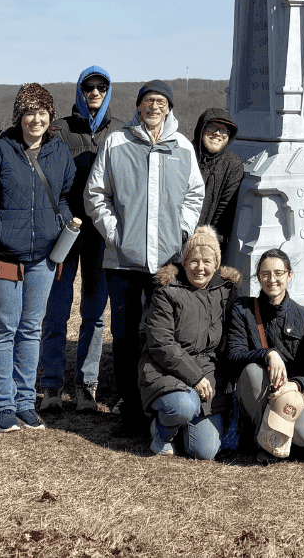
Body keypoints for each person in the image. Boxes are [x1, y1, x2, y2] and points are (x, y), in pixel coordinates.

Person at [85, 79, 205, 437]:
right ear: (138, 106)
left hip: (167, 265)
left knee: (162, 338)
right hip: (123, 262)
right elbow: (96, 194)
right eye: (148, 101)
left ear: (169, 108)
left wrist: (181, 232)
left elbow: (194, 195)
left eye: (161, 102)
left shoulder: (182, 147)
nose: (154, 107)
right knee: (124, 339)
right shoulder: (117, 142)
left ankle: (159, 405)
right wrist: (115, 234)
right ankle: (130, 412)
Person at [0, 84, 75, 433]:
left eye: (42, 112)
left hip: (43, 258)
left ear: (50, 116)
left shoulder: (60, 153)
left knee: (30, 330)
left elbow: (66, 194)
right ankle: (3, 407)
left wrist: (63, 223)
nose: (35, 119)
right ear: (19, 116)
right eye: (28, 112)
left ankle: (26, 403)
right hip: (0, 257)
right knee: (4, 329)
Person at [39, 66, 116, 413]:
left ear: (108, 91)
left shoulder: (119, 133)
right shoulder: (61, 132)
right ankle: (51, 386)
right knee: (56, 311)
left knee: (95, 313)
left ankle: (86, 386)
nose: (95, 92)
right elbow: (53, 181)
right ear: (80, 91)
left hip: (101, 236)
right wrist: (63, 217)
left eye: (101, 87)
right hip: (66, 232)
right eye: (89, 87)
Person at [139, 225, 238, 459]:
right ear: (184, 262)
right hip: (165, 369)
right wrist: (195, 378)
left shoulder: (226, 291)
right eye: (194, 260)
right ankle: (162, 430)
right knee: (184, 406)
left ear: (216, 264)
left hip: (208, 374)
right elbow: (161, 343)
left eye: (207, 261)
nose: (200, 268)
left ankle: (181, 424)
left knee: (204, 452)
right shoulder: (166, 291)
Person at [227, 248, 304, 462]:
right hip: (257, 392)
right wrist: (268, 354)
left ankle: (279, 438)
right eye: (265, 274)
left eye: (278, 273)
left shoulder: (303, 317)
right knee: (251, 371)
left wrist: (295, 385)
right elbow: (234, 355)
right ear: (258, 277)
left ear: (289, 275)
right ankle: (265, 441)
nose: (272, 280)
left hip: (288, 393)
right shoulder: (242, 310)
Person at [191, 108, 244, 259]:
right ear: (201, 129)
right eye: (212, 127)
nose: (217, 133)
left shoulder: (232, 164)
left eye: (224, 130)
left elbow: (224, 211)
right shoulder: (185, 153)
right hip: (175, 237)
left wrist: (207, 243)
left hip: (208, 243)